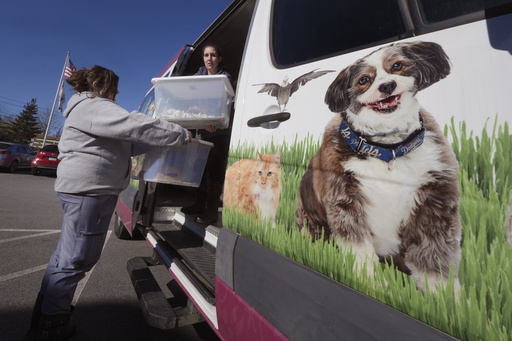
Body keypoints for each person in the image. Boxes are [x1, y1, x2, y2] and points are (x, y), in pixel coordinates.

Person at [24, 65, 191, 341]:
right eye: (114, 87)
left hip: (81, 191)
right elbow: (135, 124)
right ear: (101, 85)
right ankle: (49, 328)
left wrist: (159, 143)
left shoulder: (85, 108)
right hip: (89, 193)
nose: (117, 93)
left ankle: (44, 319)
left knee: (64, 259)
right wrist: (181, 135)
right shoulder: (95, 105)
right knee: (76, 260)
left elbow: (125, 141)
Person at [181, 43, 233, 225]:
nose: (209, 59)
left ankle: (210, 212)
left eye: (213, 55)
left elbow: (224, 105)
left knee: (214, 173)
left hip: (219, 132)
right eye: (206, 55)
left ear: (219, 59)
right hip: (202, 131)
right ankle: (198, 204)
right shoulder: (198, 78)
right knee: (199, 170)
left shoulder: (225, 78)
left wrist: (216, 122)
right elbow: (191, 102)